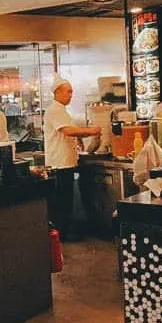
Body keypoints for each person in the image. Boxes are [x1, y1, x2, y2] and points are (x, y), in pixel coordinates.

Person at [42, 74, 100, 239]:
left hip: (66, 161)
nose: (70, 95)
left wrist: (79, 138)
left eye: (72, 92)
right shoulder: (54, 110)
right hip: (59, 163)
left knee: (66, 199)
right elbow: (67, 130)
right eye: (68, 92)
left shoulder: (62, 111)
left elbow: (70, 129)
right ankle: (61, 234)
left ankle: (64, 230)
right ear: (57, 92)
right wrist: (91, 131)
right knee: (62, 200)